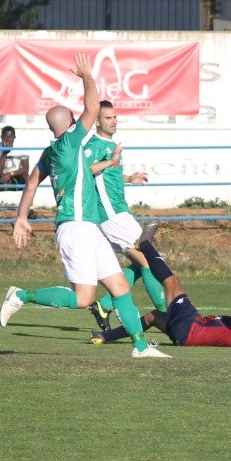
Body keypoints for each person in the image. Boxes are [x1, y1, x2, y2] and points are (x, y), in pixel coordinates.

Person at [0, 52, 170, 359]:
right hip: (75, 228)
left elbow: (33, 181)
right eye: (77, 121)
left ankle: (141, 347)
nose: (83, 122)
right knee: (82, 298)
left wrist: (21, 217)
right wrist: (87, 77)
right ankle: (21, 295)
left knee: (119, 286)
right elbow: (92, 106)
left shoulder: (52, 151)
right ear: (70, 124)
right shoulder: (69, 143)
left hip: (89, 227)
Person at [92, 239, 231, 348]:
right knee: (153, 317)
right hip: (187, 334)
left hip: (192, 328)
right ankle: (104, 337)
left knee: (172, 283)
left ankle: (144, 243)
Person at [85, 101, 167, 330]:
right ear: (97, 122)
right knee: (148, 260)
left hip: (119, 212)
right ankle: (165, 313)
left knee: (142, 263)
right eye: (108, 118)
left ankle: (103, 305)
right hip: (111, 215)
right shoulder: (94, 145)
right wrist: (110, 161)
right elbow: (85, 169)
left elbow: (107, 174)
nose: (114, 121)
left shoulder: (110, 144)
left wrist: (129, 178)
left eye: (115, 117)